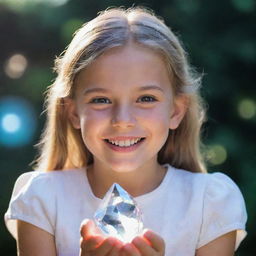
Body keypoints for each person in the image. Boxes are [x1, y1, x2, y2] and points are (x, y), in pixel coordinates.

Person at [5, 6, 247, 256]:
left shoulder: (210, 203)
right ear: (73, 112)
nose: (123, 120)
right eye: (101, 100)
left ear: (176, 111)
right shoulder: (43, 199)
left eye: (146, 98)